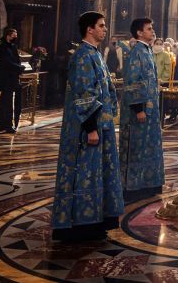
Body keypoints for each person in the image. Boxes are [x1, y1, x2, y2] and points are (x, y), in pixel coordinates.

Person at [51, 12, 124, 242]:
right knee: (85, 173)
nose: (105, 29)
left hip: (100, 125)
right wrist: (91, 127)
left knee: (97, 173)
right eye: (101, 26)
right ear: (89, 29)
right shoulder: (83, 55)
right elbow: (85, 94)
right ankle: (80, 225)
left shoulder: (94, 54)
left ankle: (96, 221)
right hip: (87, 129)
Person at [119, 18, 164, 202]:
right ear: (139, 32)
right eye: (149, 29)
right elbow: (133, 82)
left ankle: (149, 183)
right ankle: (133, 187)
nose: (152, 31)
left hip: (151, 111)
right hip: (140, 111)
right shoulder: (136, 52)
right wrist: (138, 109)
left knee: (148, 146)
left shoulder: (146, 50)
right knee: (137, 148)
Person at [0, 27, 23, 133]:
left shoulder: (13, 47)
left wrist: (20, 67)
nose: (15, 37)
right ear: (7, 36)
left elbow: (17, 60)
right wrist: (18, 67)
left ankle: (7, 124)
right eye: (13, 36)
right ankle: (5, 125)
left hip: (13, 78)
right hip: (5, 79)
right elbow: (6, 63)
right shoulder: (1, 48)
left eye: (16, 36)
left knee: (9, 101)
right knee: (6, 102)